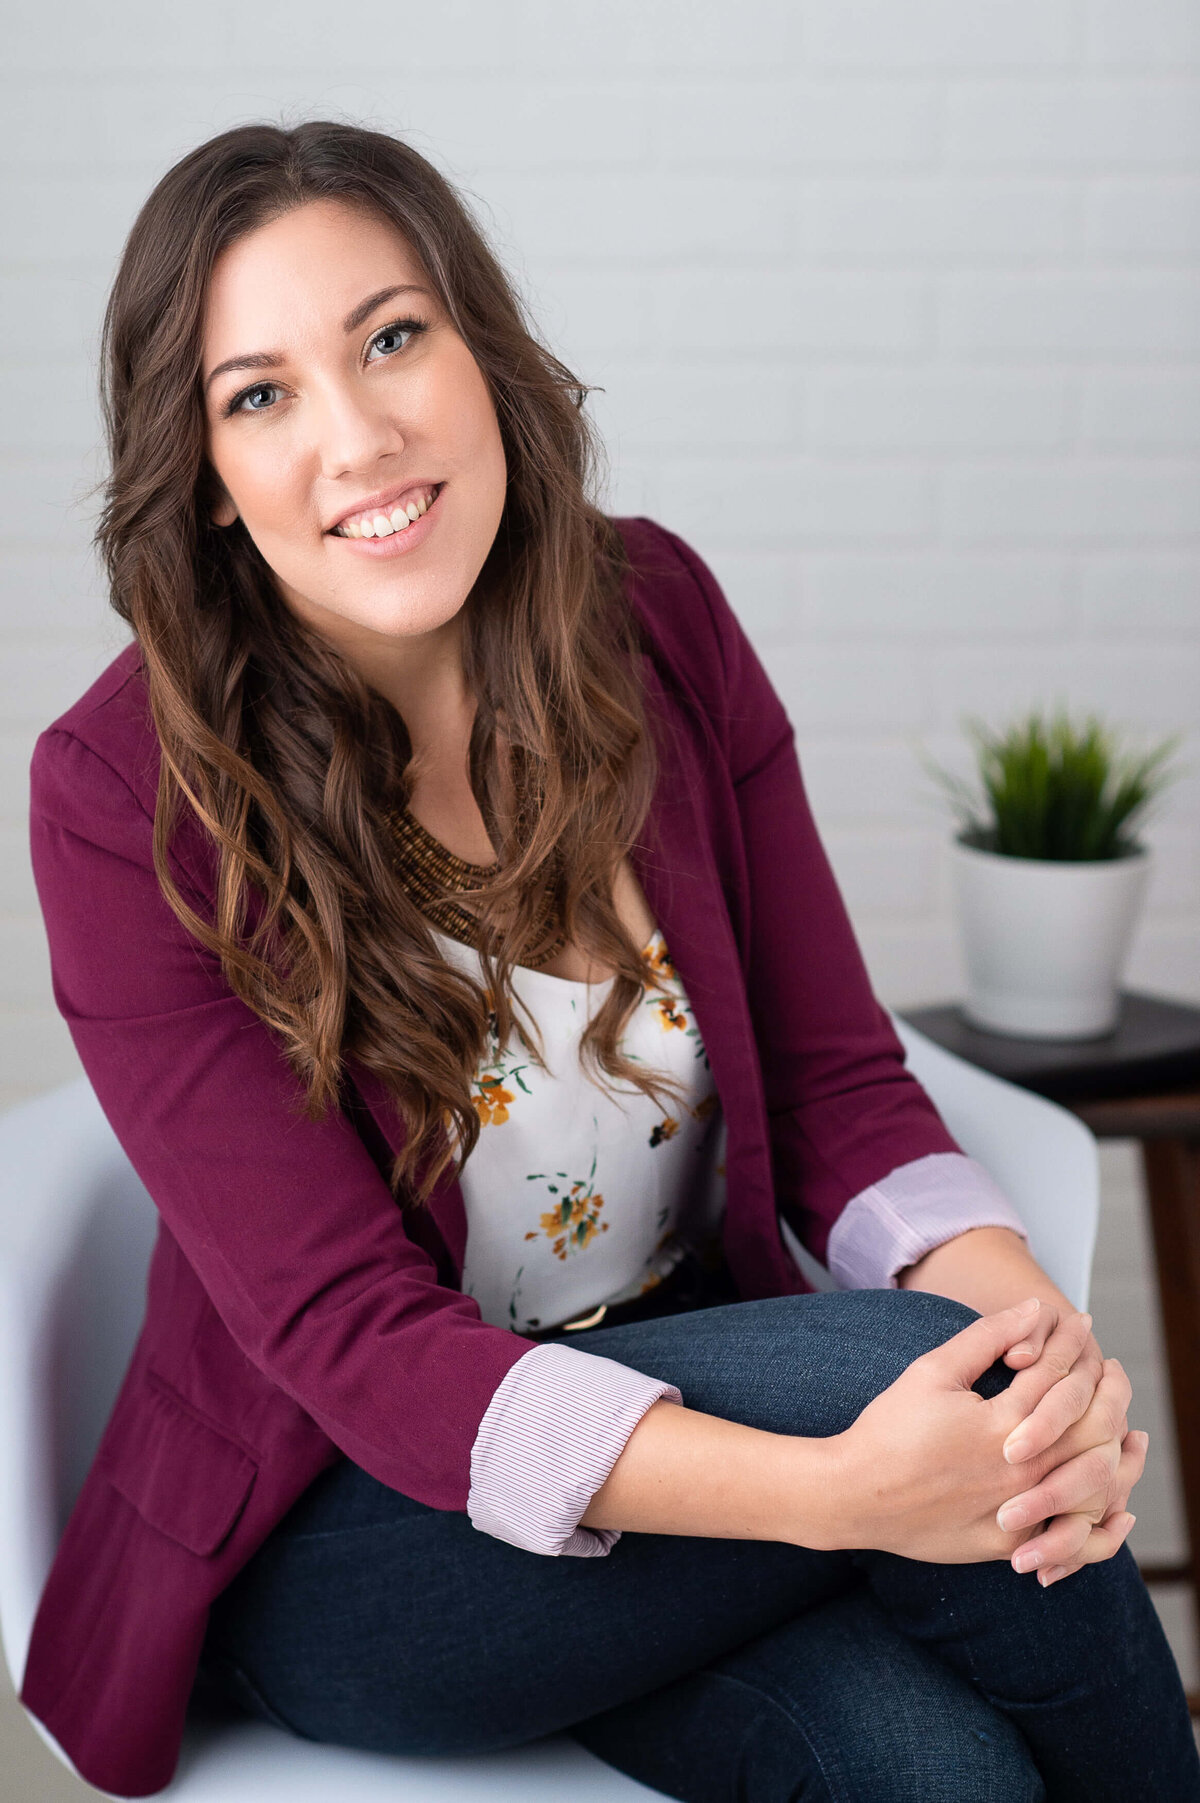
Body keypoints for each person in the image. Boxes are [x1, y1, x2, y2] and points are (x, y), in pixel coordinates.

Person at [20, 119, 1199, 1803]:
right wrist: (853, 1489)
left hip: (698, 1426)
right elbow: (352, 1337)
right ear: (204, 472)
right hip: (358, 1532)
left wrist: (1044, 1367)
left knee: (938, 1770)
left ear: (479, 348)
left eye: (392, 337)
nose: (359, 436)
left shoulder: (658, 621)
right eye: (259, 394)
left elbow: (837, 1080)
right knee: (906, 1373)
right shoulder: (121, 799)